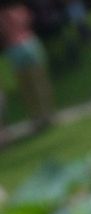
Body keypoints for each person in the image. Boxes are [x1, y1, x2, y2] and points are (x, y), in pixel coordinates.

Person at [0, 0, 53, 131]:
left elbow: (4, 31)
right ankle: (47, 114)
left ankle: (37, 117)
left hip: (14, 49)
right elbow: (30, 21)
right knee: (40, 82)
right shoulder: (21, 9)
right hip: (30, 42)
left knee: (27, 87)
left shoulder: (3, 15)